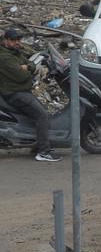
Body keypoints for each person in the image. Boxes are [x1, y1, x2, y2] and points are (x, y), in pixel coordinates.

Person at [0, 27, 55, 161]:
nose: (17, 42)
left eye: (19, 39)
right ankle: (43, 152)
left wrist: (28, 67)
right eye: (13, 40)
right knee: (42, 115)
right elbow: (21, 76)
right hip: (14, 93)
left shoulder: (15, 52)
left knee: (39, 113)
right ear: (6, 41)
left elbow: (29, 63)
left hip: (21, 90)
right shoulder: (5, 57)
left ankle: (36, 144)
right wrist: (28, 69)